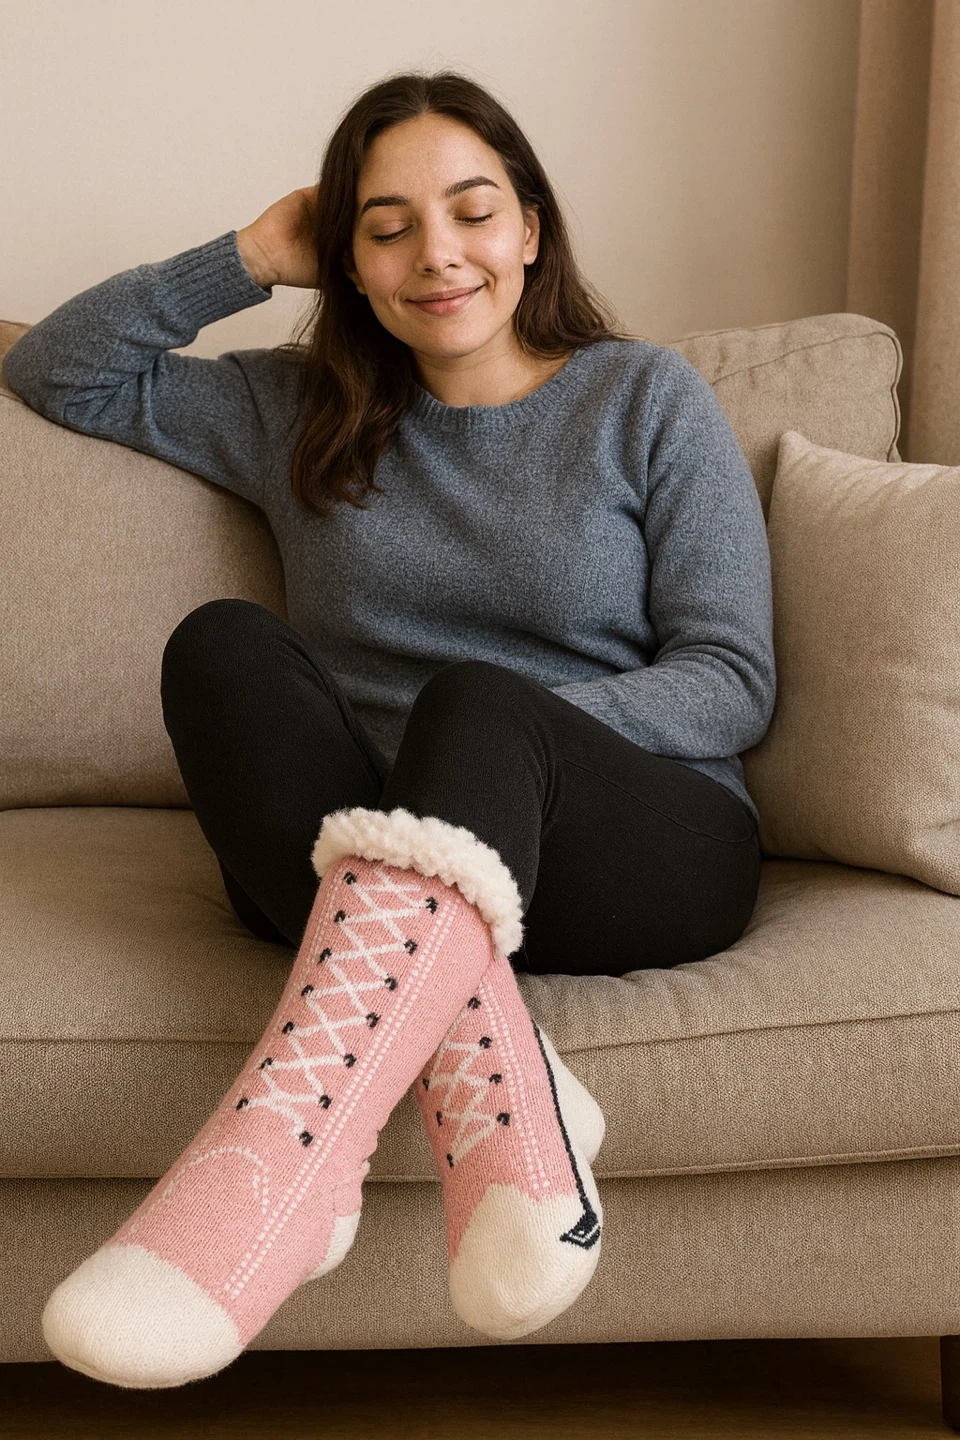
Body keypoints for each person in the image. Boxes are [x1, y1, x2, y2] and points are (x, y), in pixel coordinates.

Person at [4, 69, 775, 1390]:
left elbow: (731, 679)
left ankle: (276, 1177)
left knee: (475, 702)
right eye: (387, 227)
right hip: (366, 867)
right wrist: (250, 255)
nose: (438, 254)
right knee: (221, 646)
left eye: (473, 211)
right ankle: (508, 1081)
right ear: (347, 262)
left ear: (530, 228)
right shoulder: (297, 409)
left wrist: (495, 745)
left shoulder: (644, 398)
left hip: (637, 839)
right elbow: (52, 369)